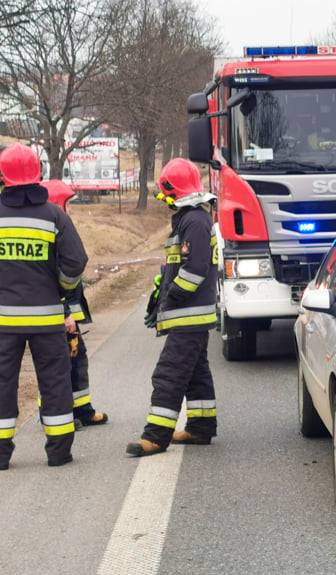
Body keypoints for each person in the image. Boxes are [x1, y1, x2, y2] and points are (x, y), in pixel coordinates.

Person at [0, 144, 88, 469]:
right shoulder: (54, 215)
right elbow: (76, 262)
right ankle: (59, 452)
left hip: (2, 322)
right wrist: (61, 290)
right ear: (37, 173)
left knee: (1, 382)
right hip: (48, 319)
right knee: (54, 381)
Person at [126, 158, 218, 457]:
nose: (166, 201)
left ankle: (155, 437)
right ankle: (201, 427)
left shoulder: (194, 220)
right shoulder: (193, 218)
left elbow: (196, 268)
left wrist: (173, 295)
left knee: (169, 373)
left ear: (175, 191)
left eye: (167, 195)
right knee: (195, 372)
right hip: (191, 315)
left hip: (188, 315)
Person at [42, 180, 108, 428]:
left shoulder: (60, 228)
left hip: (68, 311)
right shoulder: (51, 235)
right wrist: (64, 314)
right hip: (58, 312)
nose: (71, 208)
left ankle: (82, 409)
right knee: (57, 364)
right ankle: (53, 413)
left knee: (76, 358)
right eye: (67, 203)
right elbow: (54, 282)